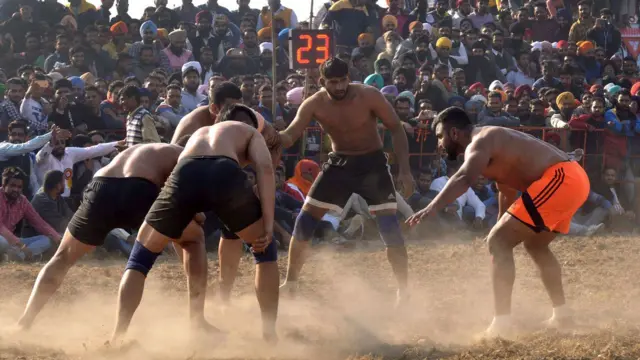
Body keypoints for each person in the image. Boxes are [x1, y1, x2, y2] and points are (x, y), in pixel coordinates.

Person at [406, 107, 591, 338]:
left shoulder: (480, 141)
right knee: (534, 245)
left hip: (561, 178)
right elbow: (506, 189)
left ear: (454, 133)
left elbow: (463, 178)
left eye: (440, 137)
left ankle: (501, 325)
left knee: (499, 241)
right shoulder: (493, 143)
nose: (440, 145)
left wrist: (431, 207)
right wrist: (499, 229)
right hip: (571, 179)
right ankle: (562, 314)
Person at [15, 139, 216, 333]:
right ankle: (195, 321)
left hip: (100, 187)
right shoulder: (186, 155)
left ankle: (25, 322)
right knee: (193, 238)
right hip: (140, 188)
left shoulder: (146, 151)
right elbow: (184, 201)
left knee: (62, 257)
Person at [110, 114, 278, 344]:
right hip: (223, 171)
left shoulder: (200, 134)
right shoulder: (250, 132)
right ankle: (269, 334)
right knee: (264, 251)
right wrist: (268, 227)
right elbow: (266, 169)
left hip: (185, 170)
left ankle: (118, 335)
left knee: (140, 258)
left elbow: (181, 177)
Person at [276, 57, 414, 304]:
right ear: (322, 82)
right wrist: (270, 134)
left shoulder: (368, 95)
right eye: (333, 82)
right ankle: (291, 282)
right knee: (305, 221)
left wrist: (404, 170)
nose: (339, 87)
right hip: (339, 163)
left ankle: (403, 289)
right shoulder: (314, 103)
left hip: (373, 163)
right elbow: (290, 135)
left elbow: (395, 127)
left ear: (349, 78)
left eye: (343, 81)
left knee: (389, 227)